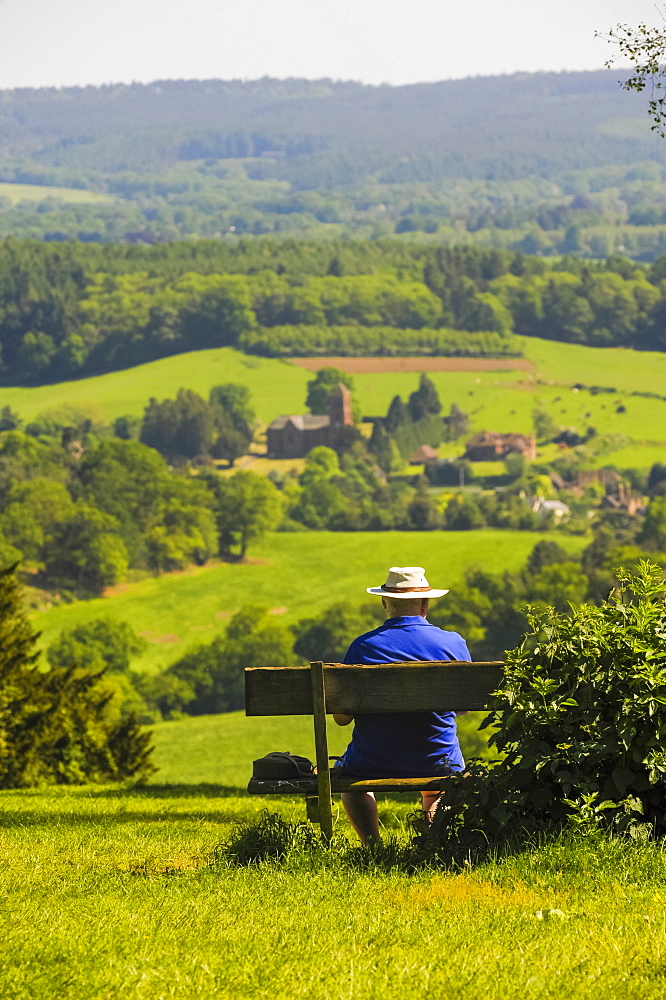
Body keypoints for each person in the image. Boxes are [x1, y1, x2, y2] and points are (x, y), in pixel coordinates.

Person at [333, 565, 470, 844]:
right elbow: (463, 708)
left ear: (385, 602)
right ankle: (432, 845)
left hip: (372, 761)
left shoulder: (363, 647)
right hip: (438, 760)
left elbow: (341, 718)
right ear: (425, 603)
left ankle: (373, 847)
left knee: (352, 784)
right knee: (437, 791)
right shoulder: (453, 643)